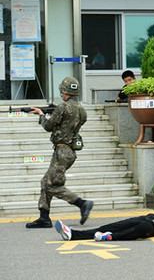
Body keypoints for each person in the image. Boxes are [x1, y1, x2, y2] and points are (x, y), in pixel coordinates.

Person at [25, 77, 93, 229]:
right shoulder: (82, 109)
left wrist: (42, 115)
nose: (61, 93)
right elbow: (69, 123)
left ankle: (82, 203)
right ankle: (44, 216)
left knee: (53, 185)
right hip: (69, 152)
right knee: (45, 181)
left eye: (62, 91)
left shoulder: (63, 107)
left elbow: (49, 126)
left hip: (62, 151)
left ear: (65, 91)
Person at [55, 211, 154, 241]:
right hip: (145, 218)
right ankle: (73, 234)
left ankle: (110, 238)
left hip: (151, 227)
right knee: (111, 225)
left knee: (142, 228)